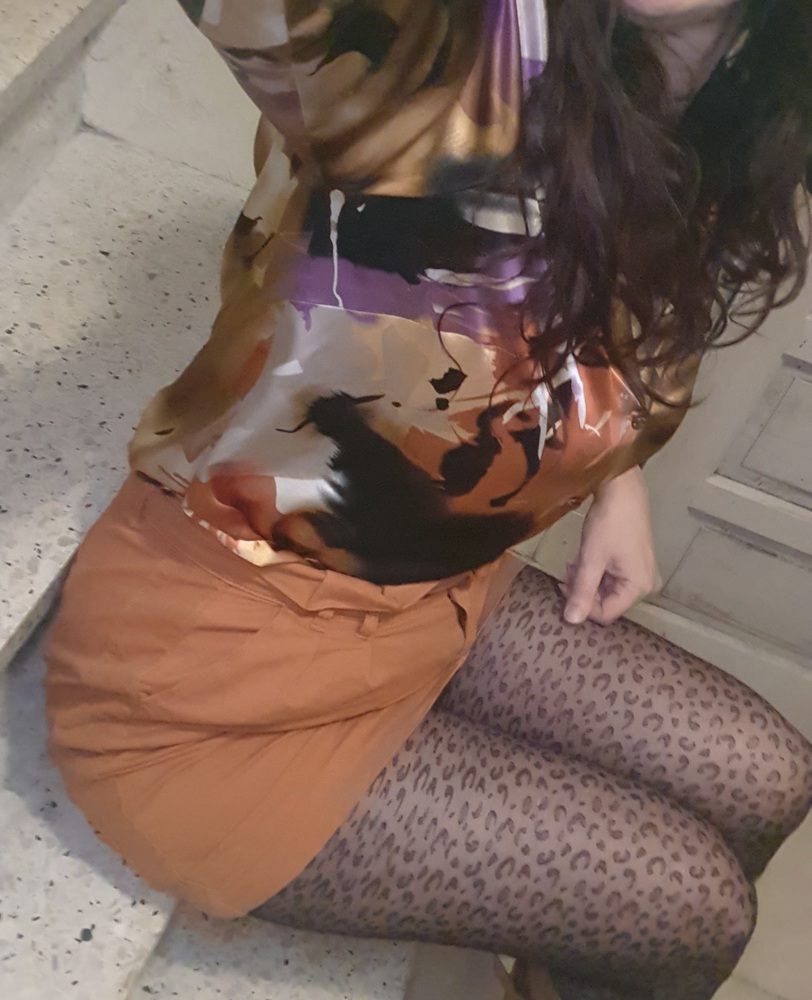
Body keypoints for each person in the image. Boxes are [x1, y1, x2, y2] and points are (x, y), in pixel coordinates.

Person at [44, 1, 812, 998]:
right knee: (695, 906)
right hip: (217, 676)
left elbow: (579, 320)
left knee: (768, 774)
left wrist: (613, 478)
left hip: (431, 599)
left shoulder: (719, 107)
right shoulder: (440, 56)